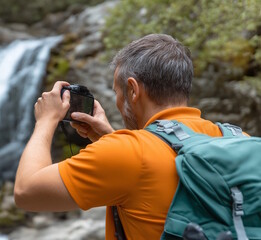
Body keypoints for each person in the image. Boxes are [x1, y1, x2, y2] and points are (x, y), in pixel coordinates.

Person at [14, 33, 224, 239]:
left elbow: (26, 192)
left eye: (117, 92)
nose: (117, 100)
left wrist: (45, 120)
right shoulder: (233, 136)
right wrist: (112, 139)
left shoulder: (127, 153)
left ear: (133, 90)